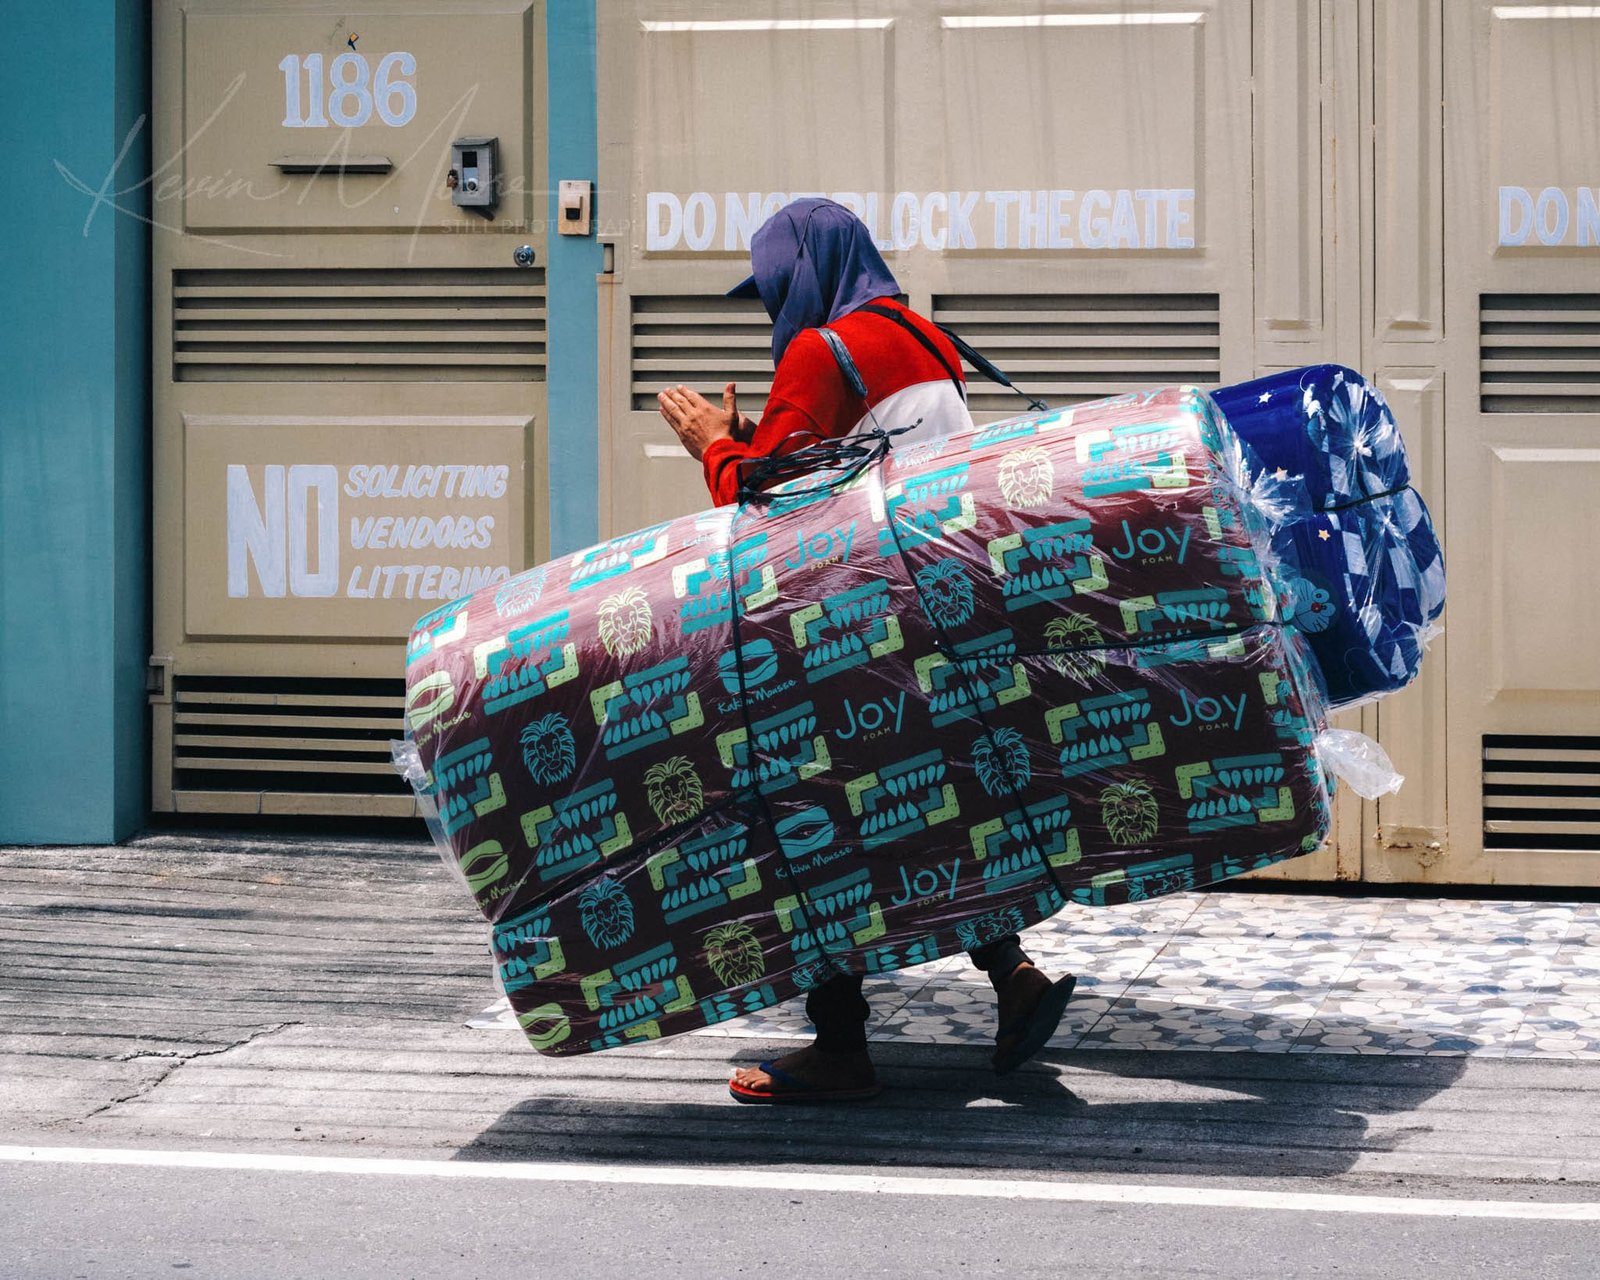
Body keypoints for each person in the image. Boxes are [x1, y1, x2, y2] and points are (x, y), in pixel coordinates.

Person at [658, 198, 1077, 1104]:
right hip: (943, 612)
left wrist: (713, 445)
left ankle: (840, 1046)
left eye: (773, 283)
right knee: (943, 803)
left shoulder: (822, 352)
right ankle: (1016, 978)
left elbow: (769, 509)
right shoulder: (927, 337)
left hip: (850, 631)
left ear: (803, 268)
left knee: (802, 813)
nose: (772, 304)